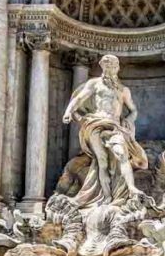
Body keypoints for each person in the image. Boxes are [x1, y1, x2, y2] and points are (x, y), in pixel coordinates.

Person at [62, 55, 149, 208]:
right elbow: (79, 99)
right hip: (96, 123)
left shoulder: (123, 90)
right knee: (102, 161)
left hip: (115, 126)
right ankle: (107, 197)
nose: (110, 69)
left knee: (122, 153)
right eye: (107, 66)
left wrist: (128, 120)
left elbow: (133, 110)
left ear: (117, 68)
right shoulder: (94, 84)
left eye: (113, 66)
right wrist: (68, 112)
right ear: (103, 67)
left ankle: (131, 188)